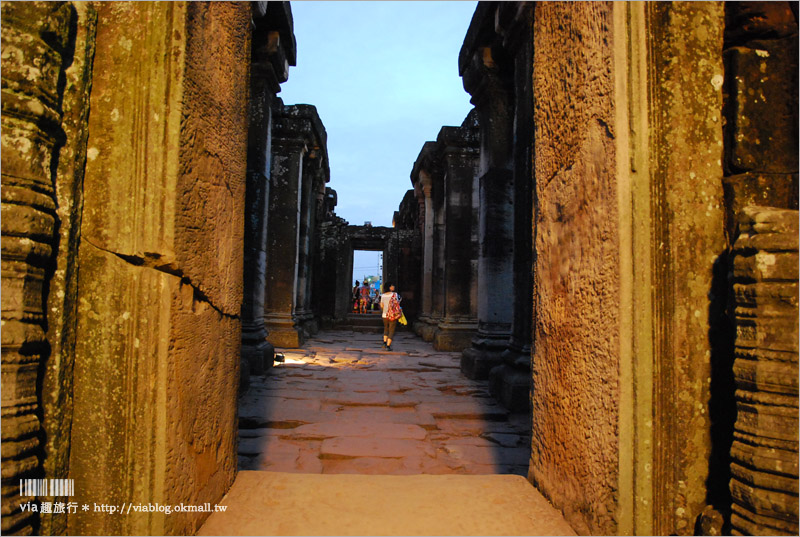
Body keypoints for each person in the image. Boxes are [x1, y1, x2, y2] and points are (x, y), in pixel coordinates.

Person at [380, 283, 401, 351]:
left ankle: (384, 343)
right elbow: (397, 304)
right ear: (389, 287)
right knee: (391, 330)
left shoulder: (382, 295)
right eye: (392, 285)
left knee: (386, 328)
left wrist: (385, 310)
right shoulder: (395, 295)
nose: (393, 286)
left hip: (384, 315)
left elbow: (381, 305)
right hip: (392, 315)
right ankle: (388, 346)